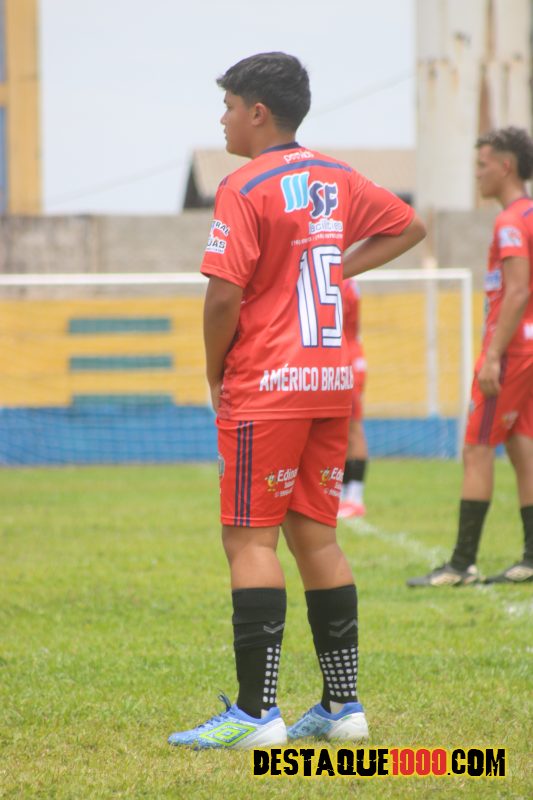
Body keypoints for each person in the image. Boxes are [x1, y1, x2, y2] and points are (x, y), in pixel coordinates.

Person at [168, 52, 425, 750]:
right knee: (317, 537)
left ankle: (256, 716)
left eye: (228, 106)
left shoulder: (243, 185)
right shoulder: (336, 176)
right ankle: (342, 707)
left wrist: (213, 372)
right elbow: (408, 226)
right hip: (329, 383)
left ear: (258, 112)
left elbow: (222, 297)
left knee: (248, 539)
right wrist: (337, 266)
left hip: (268, 383)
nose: (222, 118)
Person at [407, 126, 533, 588]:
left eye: (482, 165)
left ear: (506, 166)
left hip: (512, 349)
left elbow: (518, 290)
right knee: (521, 444)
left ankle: (461, 565)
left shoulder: (510, 221)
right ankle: (531, 557)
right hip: (528, 345)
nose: (477, 174)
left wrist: (494, 355)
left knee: (476, 447)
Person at [338, 277, 369, 518]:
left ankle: (355, 497)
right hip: (345, 356)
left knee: (352, 428)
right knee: (340, 429)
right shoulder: (346, 279)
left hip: (346, 360)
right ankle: (343, 494)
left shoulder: (342, 281)